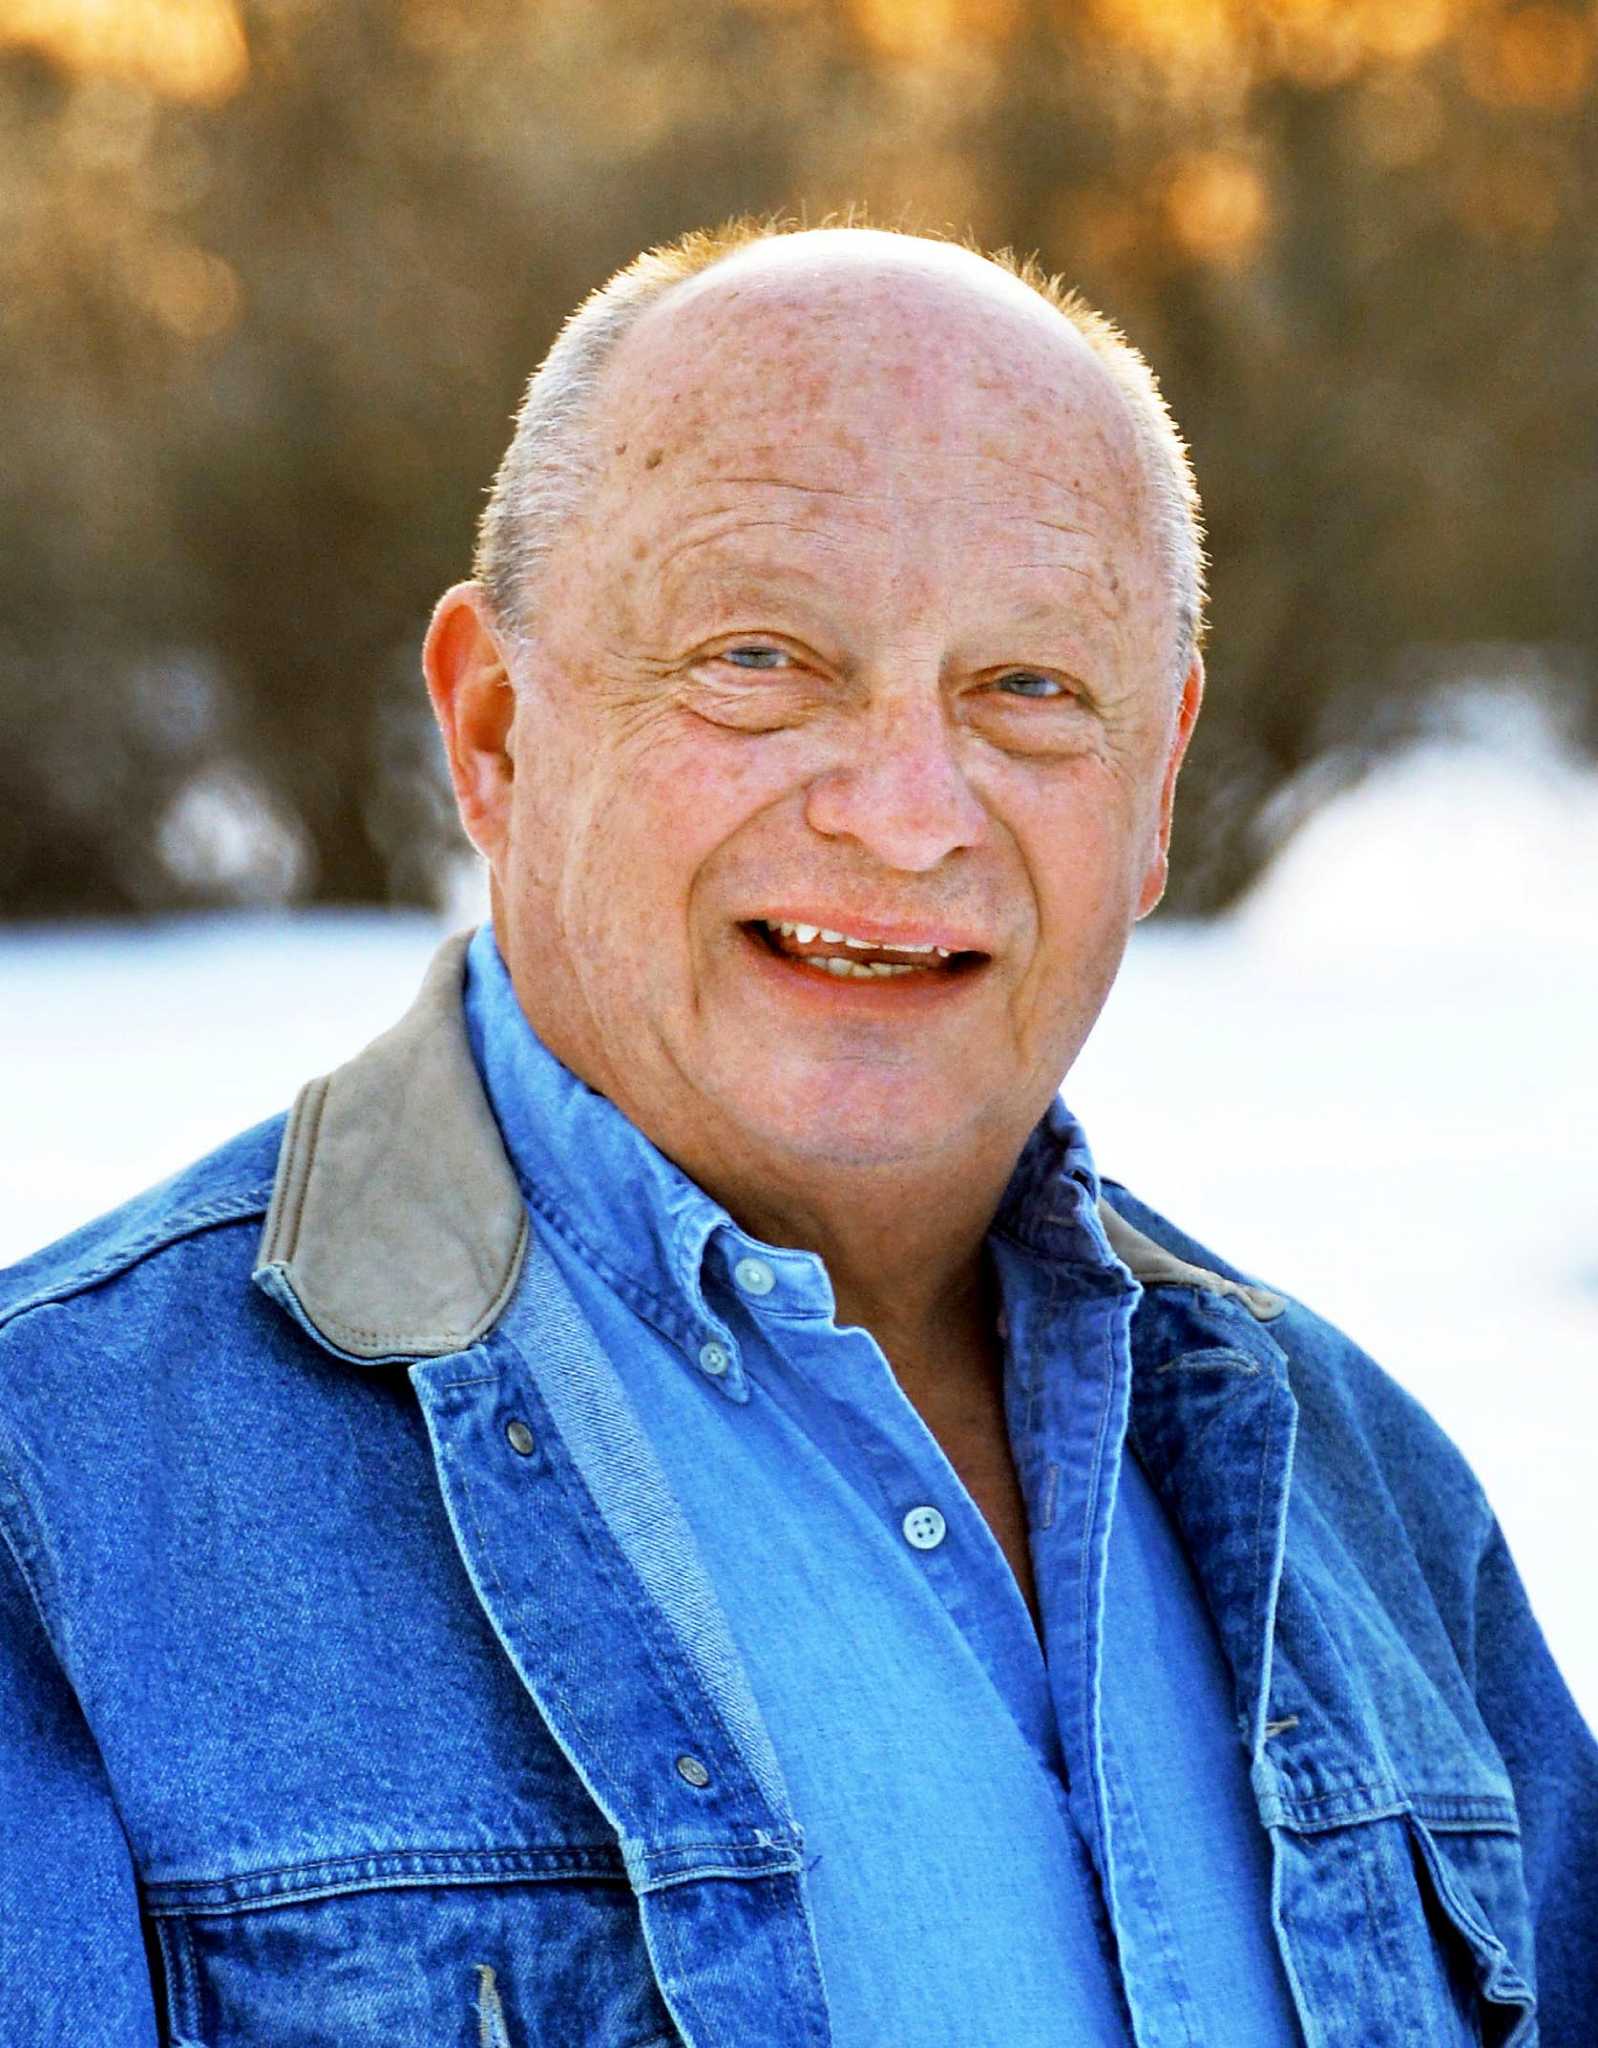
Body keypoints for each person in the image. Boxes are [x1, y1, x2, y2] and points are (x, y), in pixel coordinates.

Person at [1, 221, 1592, 2048]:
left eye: (1030, 688)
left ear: (1157, 783)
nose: (908, 816)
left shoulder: (1359, 1495)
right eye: (759, 659)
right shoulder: (57, 1499)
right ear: (493, 730)